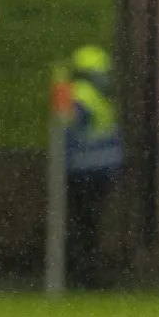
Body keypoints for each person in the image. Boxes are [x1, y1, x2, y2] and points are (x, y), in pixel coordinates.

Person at [65, 45, 123, 288]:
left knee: (85, 224)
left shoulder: (84, 95)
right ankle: (85, 275)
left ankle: (84, 274)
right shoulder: (85, 96)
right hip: (92, 170)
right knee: (88, 225)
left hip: (85, 170)